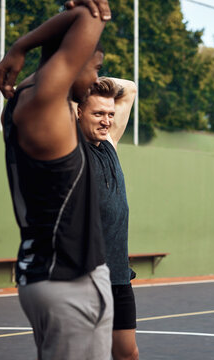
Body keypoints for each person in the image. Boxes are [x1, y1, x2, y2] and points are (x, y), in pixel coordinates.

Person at [0, 2, 113, 359]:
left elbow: (79, 22)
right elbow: (94, 14)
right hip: (67, 282)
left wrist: (23, 47)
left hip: (49, 275)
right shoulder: (44, 103)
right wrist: (20, 46)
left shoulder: (23, 102)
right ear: (71, 60)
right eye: (93, 67)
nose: (94, 79)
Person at [77, 77, 139, 360]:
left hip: (118, 275)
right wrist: (81, 83)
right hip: (84, 278)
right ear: (78, 112)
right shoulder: (70, 148)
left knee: (127, 354)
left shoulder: (111, 144)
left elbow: (131, 87)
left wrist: (95, 82)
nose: (106, 121)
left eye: (110, 114)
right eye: (98, 113)